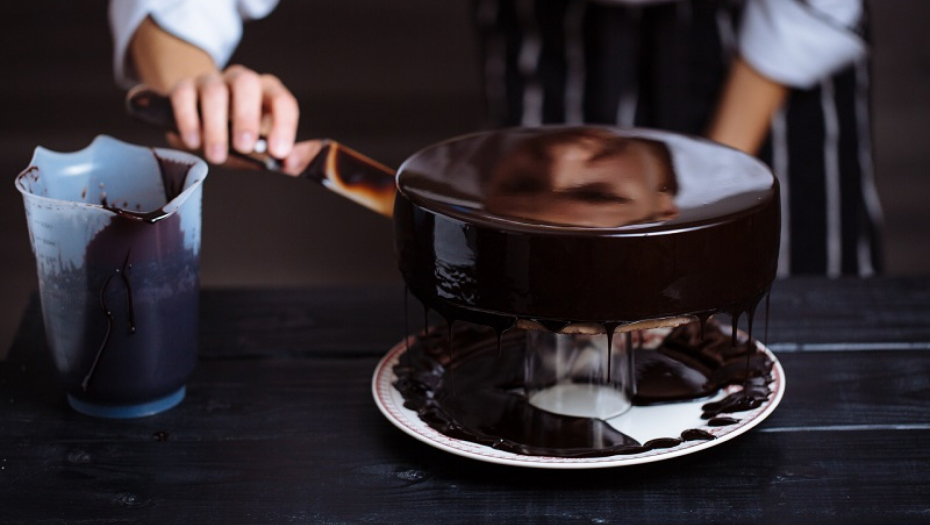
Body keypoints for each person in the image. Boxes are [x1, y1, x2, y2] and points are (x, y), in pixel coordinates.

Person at [108, 0, 882, 276]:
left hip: (761, 38)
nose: (574, 157)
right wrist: (196, 85)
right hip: (548, 26)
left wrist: (702, 221)